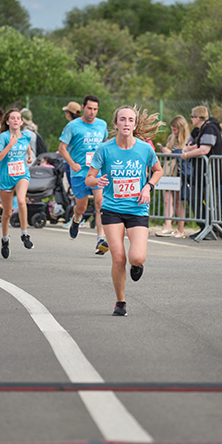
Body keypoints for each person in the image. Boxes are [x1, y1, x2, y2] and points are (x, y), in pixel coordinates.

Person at [86, 106, 163, 316]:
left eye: (130, 120)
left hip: (137, 208)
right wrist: (97, 180)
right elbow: (89, 178)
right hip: (112, 208)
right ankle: (120, 301)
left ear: (135, 124)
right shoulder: (105, 149)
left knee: (136, 257)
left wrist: (148, 186)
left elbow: (158, 170)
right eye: (122, 119)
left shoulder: (145, 149)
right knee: (118, 257)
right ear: (116, 123)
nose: (126, 123)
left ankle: (136, 266)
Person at [58, 94, 109, 255]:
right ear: (83, 108)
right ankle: (76, 218)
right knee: (82, 207)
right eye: (89, 108)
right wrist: (72, 163)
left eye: (95, 109)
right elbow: (62, 148)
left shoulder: (102, 125)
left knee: (100, 203)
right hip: (80, 173)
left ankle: (100, 239)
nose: (92, 112)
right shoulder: (73, 126)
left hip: (97, 172)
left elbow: (105, 144)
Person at [0, 108, 34, 259]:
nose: (16, 120)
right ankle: (5, 239)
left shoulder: (27, 136)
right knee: (7, 212)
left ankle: (24, 234)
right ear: (7, 121)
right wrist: (10, 145)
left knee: (22, 201)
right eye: (13, 118)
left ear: (22, 122)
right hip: (5, 178)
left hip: (21, 174)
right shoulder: (3, 138)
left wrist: (29, 155)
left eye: (18, 118)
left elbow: (27, 145)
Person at [182, 106, 222, 240]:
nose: (191, 119)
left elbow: (204, 150)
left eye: (192, 116)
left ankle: (212, 228)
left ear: (198, 118)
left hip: (211, 172)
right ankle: (204, 227)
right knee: (194, 199)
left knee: (211, 201)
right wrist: (187, 149)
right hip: (199, 172)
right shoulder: (197, 130)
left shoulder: (210, 128)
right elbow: (186, 145)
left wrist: (186, 154)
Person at [156, 115, 190, 238]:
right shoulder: (172, 138)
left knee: (178, 202)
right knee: (167, 199)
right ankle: (168, 225)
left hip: (180, 172)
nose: (173, 132)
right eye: (172, 129)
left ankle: (180, 230)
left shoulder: (188, 139)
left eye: (175, 130)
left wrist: (172, 153)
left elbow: (185, 153)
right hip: (169, 171)